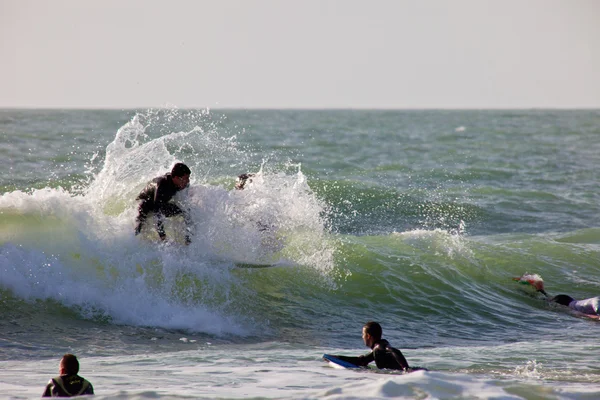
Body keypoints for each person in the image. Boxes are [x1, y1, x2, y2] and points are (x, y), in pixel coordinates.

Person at [134, 163, 193, 244]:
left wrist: (188, 237)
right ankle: (135, 240)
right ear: (176, 178)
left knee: (182, 211)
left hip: (161, 203)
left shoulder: (182, 184)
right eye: (186, 178)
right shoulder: (162, 186)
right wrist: (163, 236)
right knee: (139, 227)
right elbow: (157, 212)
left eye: (188, 178)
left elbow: (185, 205)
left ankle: (187, 238)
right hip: (145, 203)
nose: (188, 181)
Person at [327, 321, 418, 371]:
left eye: (363, 334)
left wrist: (406, 368)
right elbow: (362, 361)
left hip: (403, 373)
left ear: (368, 336)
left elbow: (395, 351)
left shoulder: (379, 347)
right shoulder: (377, 349)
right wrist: (337, 358)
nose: (362, 337)